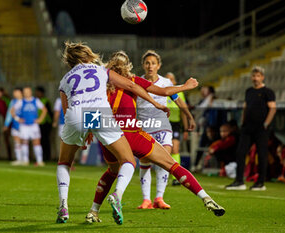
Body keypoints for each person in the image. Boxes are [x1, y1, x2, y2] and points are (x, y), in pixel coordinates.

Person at [85, 51, 224, 224]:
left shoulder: (100, 82)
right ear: (128, 66)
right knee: (171, 164)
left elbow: (91, 105)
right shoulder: (133, 80)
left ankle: (93, 211)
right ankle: (205, 198)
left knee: (112, 170)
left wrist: (89, 131)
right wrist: (185, 86)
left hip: (106, 135)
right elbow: (165, 91)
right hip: (130, 132)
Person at [55, 42, 171, 225]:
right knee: (128, 161)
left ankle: (63, 205)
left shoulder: (65, 79)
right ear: (87, 55)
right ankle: (117, 196)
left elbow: (65, 109)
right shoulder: (100, 69)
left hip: (75, 114)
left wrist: (83, 130)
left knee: (64, 162)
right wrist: (156, 103)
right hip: (99, 113)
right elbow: (131, 86)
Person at [136, 50, 197, 209]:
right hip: (144, 126)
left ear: (159, 65)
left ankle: (159, 198)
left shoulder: (166, 83)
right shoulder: (136, 82)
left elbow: (178, 101)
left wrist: (189, 116)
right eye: (147, 63)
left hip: (162, 125)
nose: (150, 66)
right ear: (143, 65)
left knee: (165, 158)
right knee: (145, 161)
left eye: (153, 63)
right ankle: (146, 200)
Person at [226, 66, 276, 191]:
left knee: (261, 154)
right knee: (240, 152)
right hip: (247, 127)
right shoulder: (249, 91)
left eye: (258, 76)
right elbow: (245, 107)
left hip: (261, 128)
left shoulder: (268, 92)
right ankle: (239, 181)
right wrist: (243, 122)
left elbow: (273, 108)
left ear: (262, 77)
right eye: (254, 76)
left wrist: (266, 123)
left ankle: (260, 183)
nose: (255, 78)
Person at [11, 87, 47, 167]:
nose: (26, 93)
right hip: (24, 125)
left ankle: (39, 160)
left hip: (34, 125)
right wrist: (18, 119)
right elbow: (12, 110)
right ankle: (25, 160)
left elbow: (44, 110)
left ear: (31, 92)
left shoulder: (36, 101)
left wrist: (40, 119)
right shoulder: (21, 102)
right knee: (24, 142)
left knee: (36, 142)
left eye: (28, 92)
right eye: (25, 92)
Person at [166, 72, 190, 186]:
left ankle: (176, 177)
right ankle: (164, 176)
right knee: (165, 151)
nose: (169, 81)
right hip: (163, 123)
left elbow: (183, 111)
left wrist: (185, 129)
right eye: (167, 79)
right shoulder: (162, 92)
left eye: (171, 79)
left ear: (174, 82)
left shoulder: (179, 93)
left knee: (175, 149)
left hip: (175, 124)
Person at [3, 88, 25, 165]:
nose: (15, 94)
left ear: (21, 93)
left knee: (24, 142)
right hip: (15, 125)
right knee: (17, 142)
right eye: (14, 92)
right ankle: (19, 159)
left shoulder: (25, 101)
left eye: (16, 92)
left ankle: (25, 159)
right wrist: (6, 124)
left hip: (25, 125)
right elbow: (9, 114)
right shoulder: (13, 102)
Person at [35, 86, 53, 161]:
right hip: (37, 123)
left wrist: (51, 123)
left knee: (45, 140)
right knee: (39, 140)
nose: (37, 94)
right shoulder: (35, 101)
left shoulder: (45, 101)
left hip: (45, 123)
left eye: (38, 92)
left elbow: (49, 112)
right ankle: (41, 156)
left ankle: (47, 156)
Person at [0, 87, 12, 160]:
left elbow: (9, 111)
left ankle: (9, 156)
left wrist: (7, 123)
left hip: (5, 121)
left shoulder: (6, 100)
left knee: (7, 139)